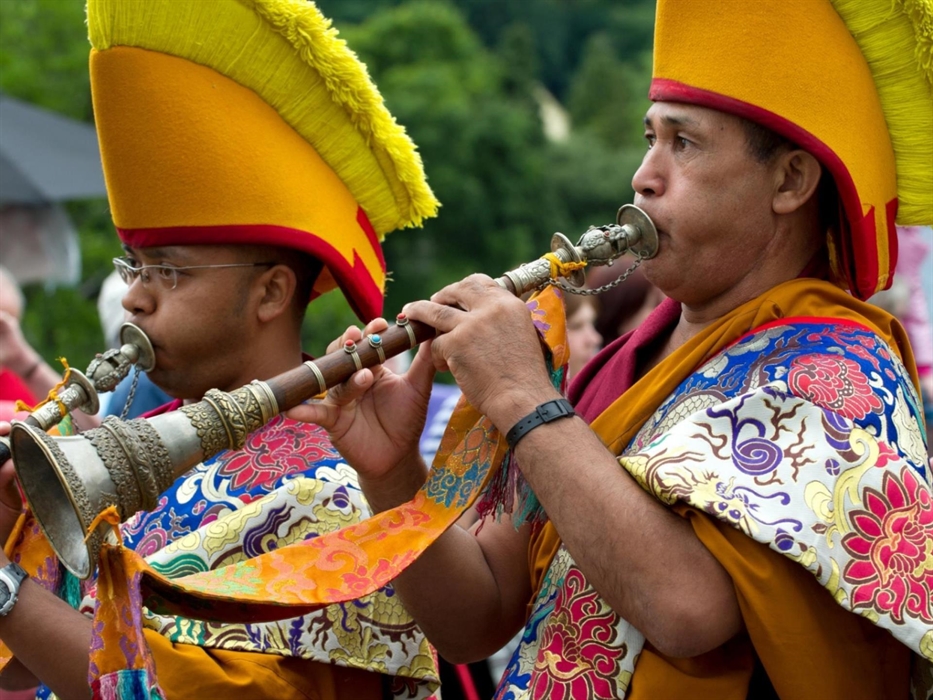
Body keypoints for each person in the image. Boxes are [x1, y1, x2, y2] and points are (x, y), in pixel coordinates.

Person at [290, 0, 933, 697]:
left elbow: (687, 612)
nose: (643, 176)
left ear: (789, 182)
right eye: (648, 138)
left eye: (681, 144)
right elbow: (474, 621)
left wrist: (520, 395)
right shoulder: (619, 367)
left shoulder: (835, 370)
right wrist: (391, 475)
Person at [0, 0, 441, 698]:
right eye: (133, 269)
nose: (137, 299)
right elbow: (32, 662)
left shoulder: (338, 488)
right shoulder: (135, 447)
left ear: (270, 294)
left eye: (168, 271)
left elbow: (172, 690)